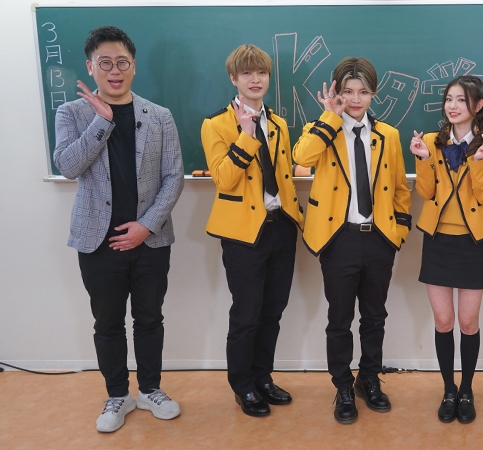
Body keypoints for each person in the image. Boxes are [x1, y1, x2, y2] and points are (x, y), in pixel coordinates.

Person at [53, 26, 184, 433]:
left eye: (122, 62)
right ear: (91, 67)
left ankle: (150, 390)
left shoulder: (159, 116)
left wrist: (146, 226)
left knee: (149, 319)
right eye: (105, 63)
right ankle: (117, 395)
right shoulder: (72, 113)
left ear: (134, 66)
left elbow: (174, 177)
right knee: (107, 323)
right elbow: (68, 166)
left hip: (150, 240)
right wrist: (102, 121)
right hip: (97, 242)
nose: (115, 70)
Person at [293, 57, 412, 424]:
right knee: (340, 318)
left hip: (379, 238)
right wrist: (330, 118)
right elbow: (301, 157)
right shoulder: (322, 129)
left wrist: (398, 233)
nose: (355, 99)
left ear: (374, 93)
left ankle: (369, 379)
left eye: (363, 92)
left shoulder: (388, 135)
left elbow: (400, 188)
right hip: (338, 238)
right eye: (347, 91)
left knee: (375, 317)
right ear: (337, 93)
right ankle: (343, 386)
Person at [200, 44, 304, 417]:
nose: (255, 79)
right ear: (234, 78)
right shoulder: (216, 124)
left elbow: (285, 176)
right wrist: (245, 136)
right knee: (247, 314)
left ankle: (263, 377)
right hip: (243, 234)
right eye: (247, 73)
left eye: (261, 73)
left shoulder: (279, 124)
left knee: (273, 310)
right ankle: (242, 385)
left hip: (281, 227)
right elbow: (223, 179)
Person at [409, 75, 483, 424]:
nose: (452, 106)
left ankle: (467, 389)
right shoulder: (431, 142)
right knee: (443, 320)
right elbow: (426, 192)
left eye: (461, 100)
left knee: (467, 321)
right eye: (449, 99)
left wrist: (478, 161)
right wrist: (423, 159)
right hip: (437, 239)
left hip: (472, 241)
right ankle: (448, 389)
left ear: (477, 105)